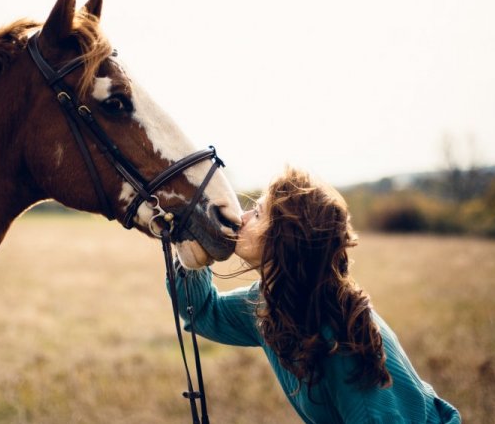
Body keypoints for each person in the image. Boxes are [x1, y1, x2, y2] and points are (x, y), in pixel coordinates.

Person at [169, 167, 461, 423]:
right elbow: (204, 311)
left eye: (257, 213)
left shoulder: (345, 341)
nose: (241, 218)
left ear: (288, 238)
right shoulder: (270, 303)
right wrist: (191, 249)